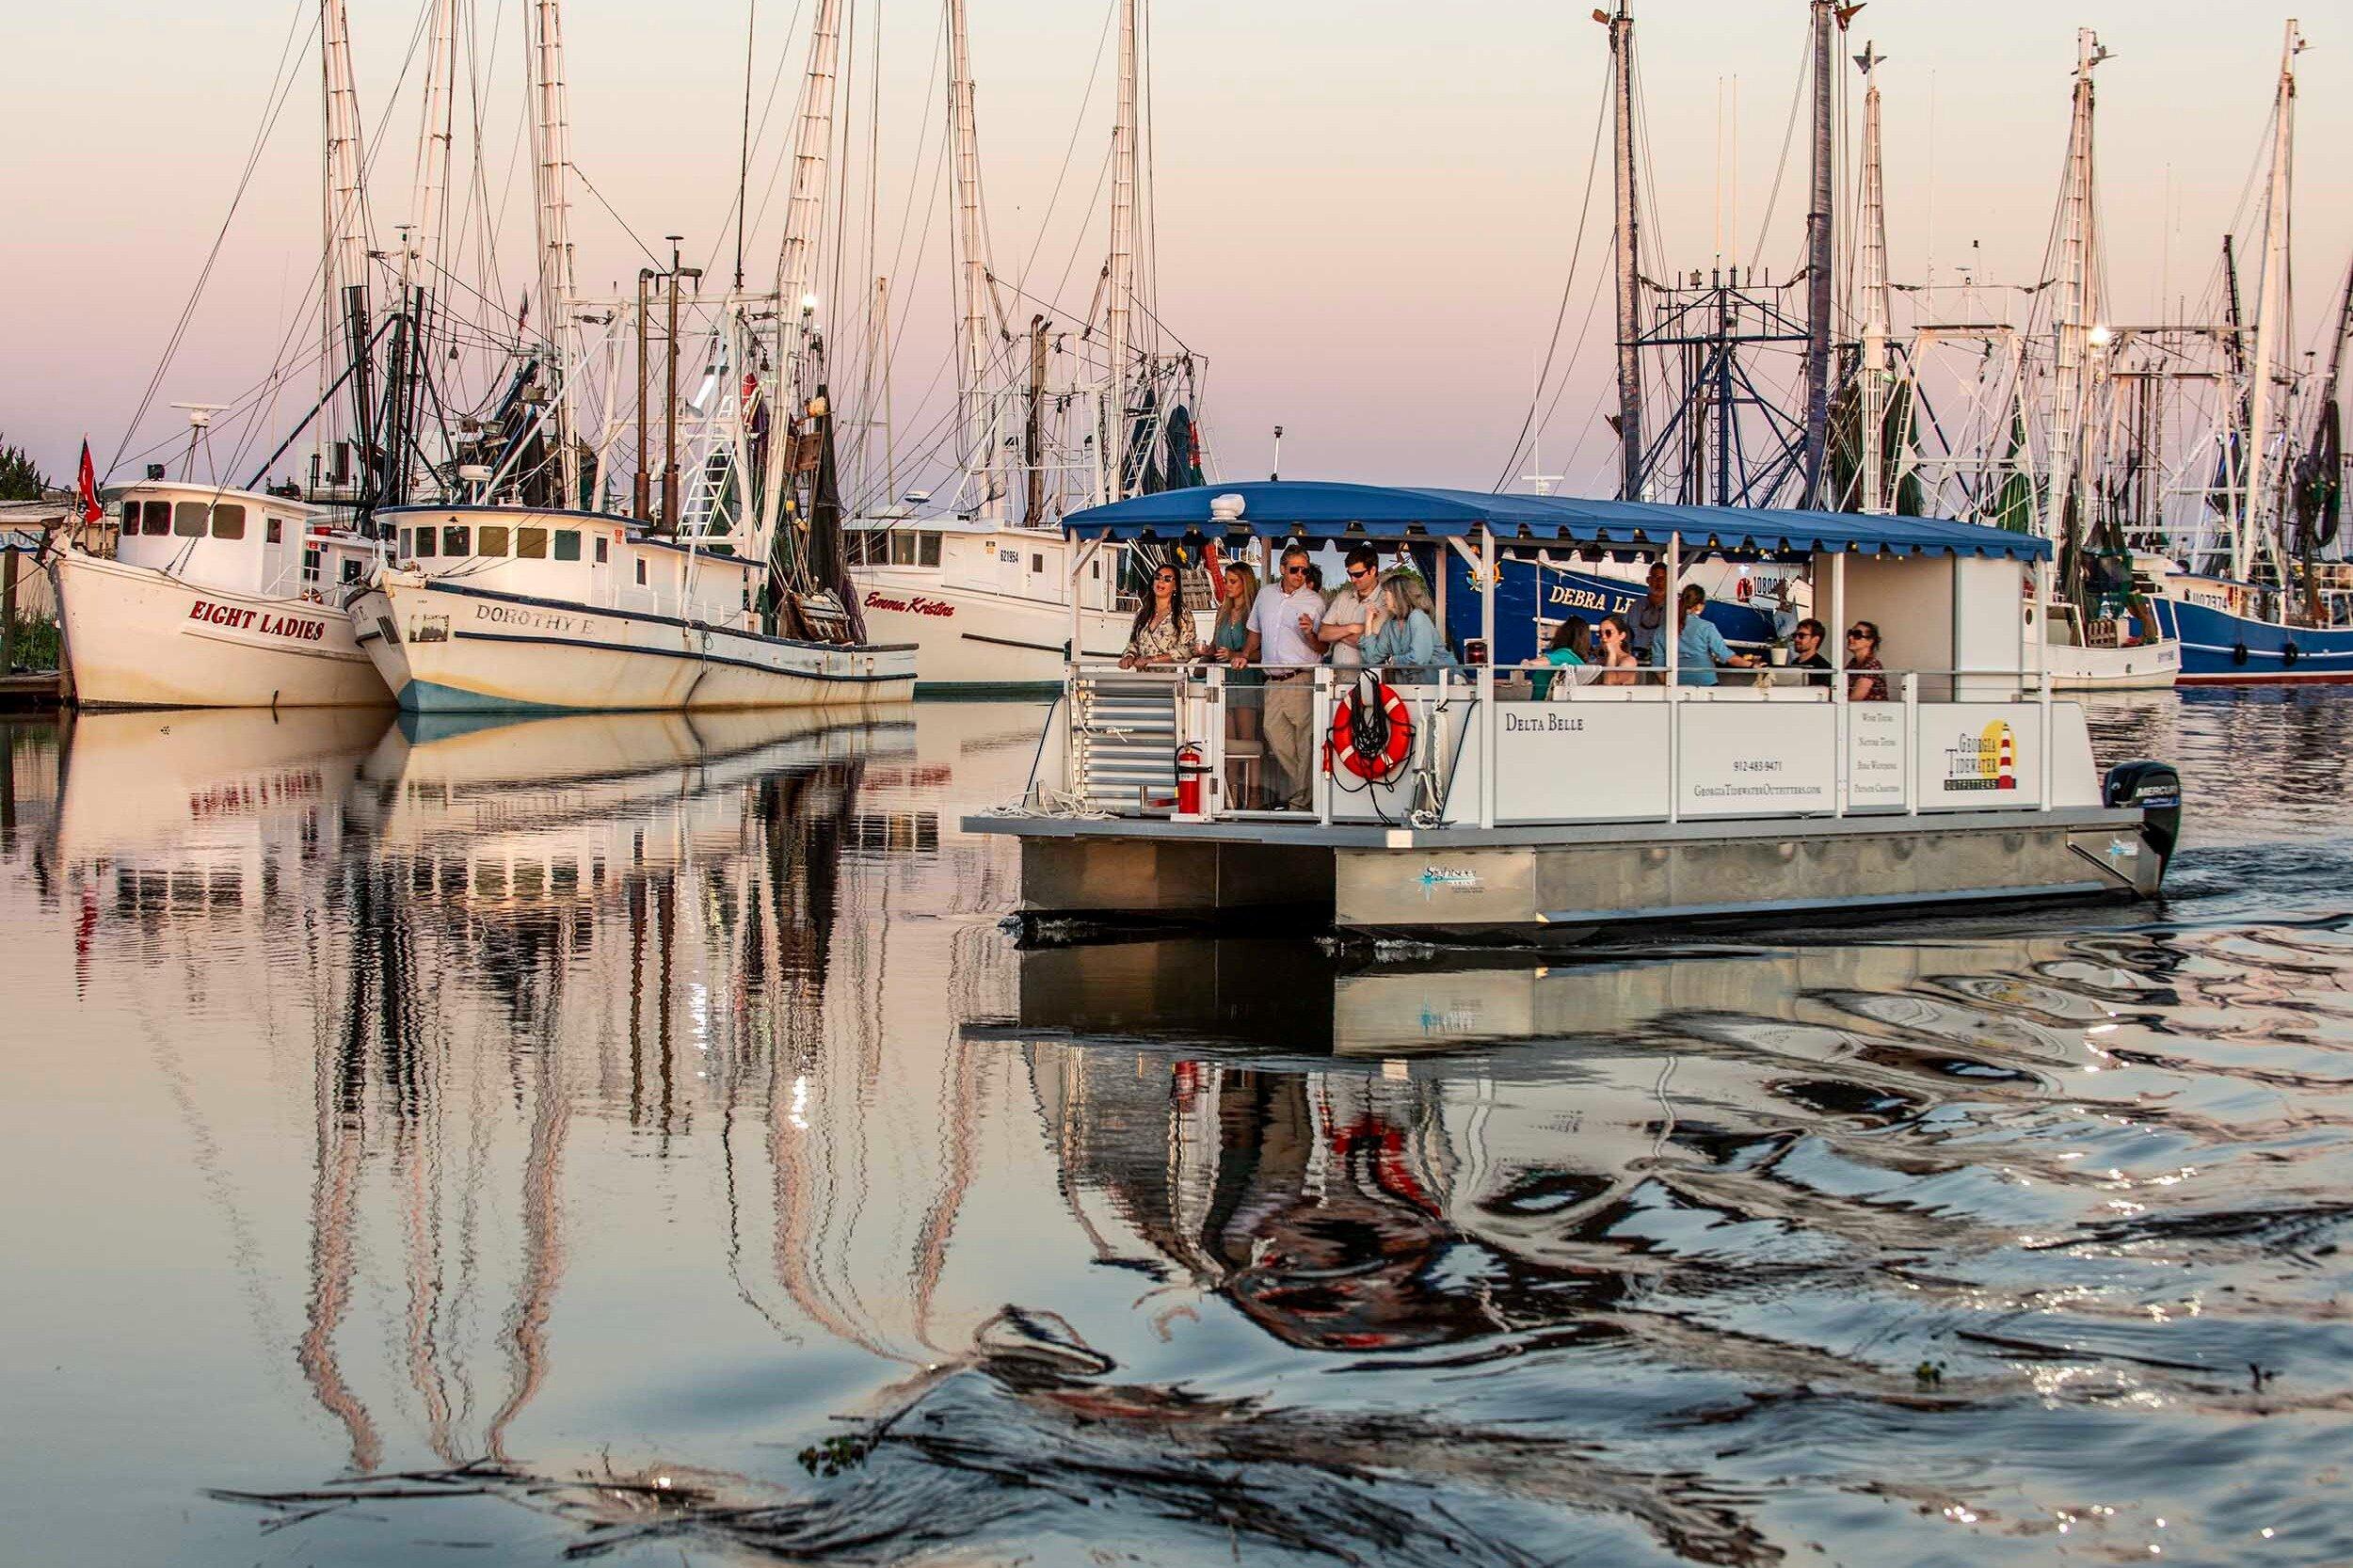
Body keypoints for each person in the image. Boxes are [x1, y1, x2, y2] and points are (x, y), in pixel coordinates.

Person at [1240, 545, 1327, 809]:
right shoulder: (1265, 595)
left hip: (1301, 679)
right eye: (1294, 569)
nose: (1300, 574)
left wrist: (1310, 632)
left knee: (1305, 742)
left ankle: (1302, 800)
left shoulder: (1315, 601)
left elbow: (1322, 647)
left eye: (1304, 570)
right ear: (1282, 569)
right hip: (1272, 681)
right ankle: (1306, 792)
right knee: (1274, 735)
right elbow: (1255, 631)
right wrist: (1244, 654)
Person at [1356, 571, 1453, 680]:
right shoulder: (1390, 626)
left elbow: (1419, 659)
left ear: (1397, 594)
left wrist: (1394, 660)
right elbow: (1372, 658)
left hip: (1441, 686)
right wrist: (1368, 622)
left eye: (1386, 593)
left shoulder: (1418, 617)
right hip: (1412, 689)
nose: (1384, 598)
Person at [1210, 561, 1262, 759]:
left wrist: (1235, 655)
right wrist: (1209, 650)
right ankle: (1232, 787)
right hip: (1223, 681)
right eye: (1226, 581)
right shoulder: (1222, 613)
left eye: (1233, 581)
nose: (1228, 585)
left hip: (1247, 682)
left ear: (1245, 583)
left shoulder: (1253, 614)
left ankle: (1253, 789)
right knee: (1226, 744)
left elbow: (1262, 654)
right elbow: (1216, 645)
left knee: (1247, 743)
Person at [1658, 584, 1760, 686]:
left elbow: (1658, 667)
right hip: (1706, 684)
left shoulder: (1662, 630)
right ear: (1699, 605)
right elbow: (1728, 657)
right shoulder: (1706, 627)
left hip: (1676, 688)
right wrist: (1752, 665)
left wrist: (1670, 686)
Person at [1117, 562, 1199, 669]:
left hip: (1172, 678)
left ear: (1175, 586)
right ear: (1152, 582)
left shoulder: (1182, 613)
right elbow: (1134, 644)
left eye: (1167, 579)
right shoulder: (1142, 612)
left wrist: (1153, 660)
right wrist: (1129, 656)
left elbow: (1187, 649)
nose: (1161, 581)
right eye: (1157, 577)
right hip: (1142, 678)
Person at [1314, 545, 1383, 668]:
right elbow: (1323, 634)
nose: (1352, 580)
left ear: (1372, 571)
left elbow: (1377, 644)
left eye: (1358, 574)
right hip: (1337, 680)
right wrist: (1352, 628)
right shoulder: (1343, 596)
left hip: (1368, 679)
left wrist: (1337, 635)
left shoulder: (1385, 600)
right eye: (1349, 574)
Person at [1526, 616, 1592, 699]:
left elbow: (1532, 664)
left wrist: (1525, 663)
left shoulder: (1565, 655)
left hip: (1543, 708)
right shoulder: (1576, 659)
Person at [1627, 562, 1672, 664]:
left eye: (1663, 579)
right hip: (1636, 660)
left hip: (1664, 662)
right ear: (1648, 580)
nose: (1659, 583)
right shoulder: (1636, 605)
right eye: (1655, 578)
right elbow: (1625, 631)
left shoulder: (1675, 608)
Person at [1845, 620, 1889, 700]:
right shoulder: (1853, 663)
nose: (1850, 637)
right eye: (1850, 633)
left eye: (1857, 635)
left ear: (1870, 641)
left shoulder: (1872, 666)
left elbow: (1855, 699)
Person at [1595, 613, 1642, 685]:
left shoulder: (1629, 661)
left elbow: (1609, 682)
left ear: (1622, 636)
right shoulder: (1601, 660)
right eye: (1600, 633)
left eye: (1608, 633)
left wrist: (1612, 654)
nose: (1603, 637)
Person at [1788, 617, 1832, 688]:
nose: (1796, 639)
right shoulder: (1794, 662)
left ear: (1815, 639)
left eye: (1801, 636)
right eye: (1794, 635)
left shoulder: (1823, 668)